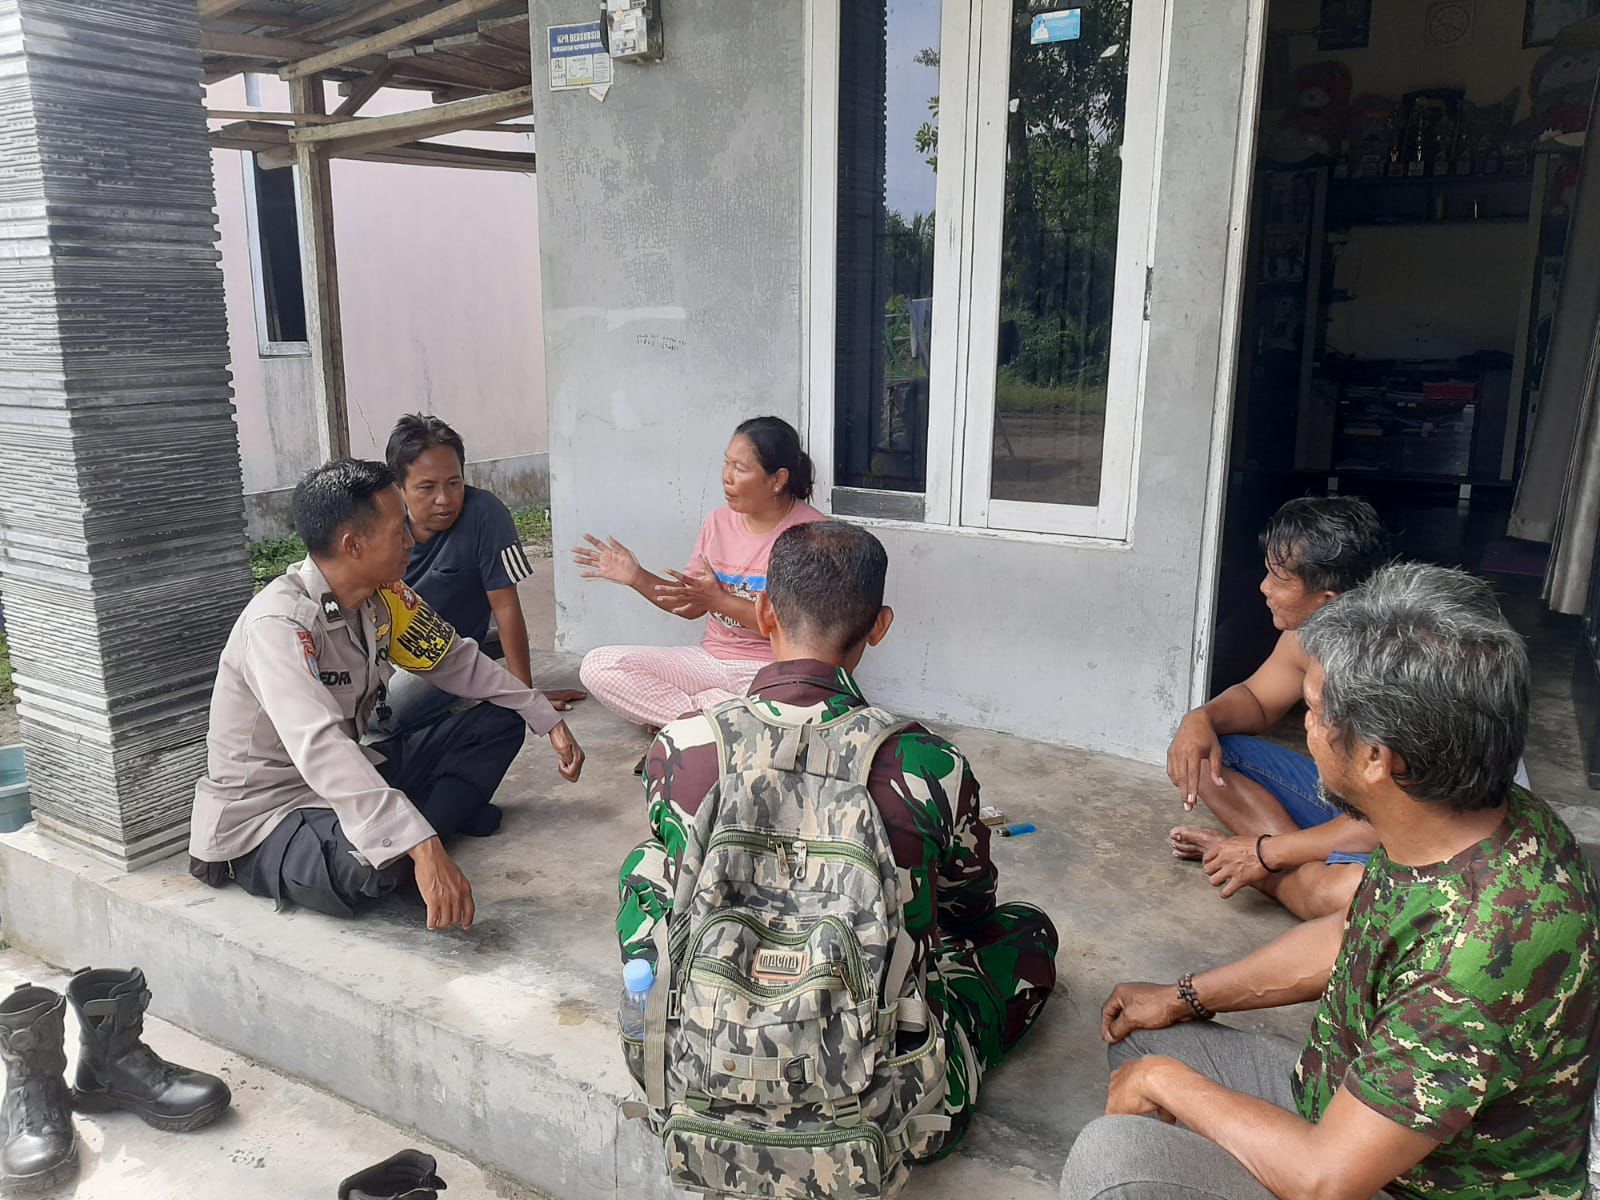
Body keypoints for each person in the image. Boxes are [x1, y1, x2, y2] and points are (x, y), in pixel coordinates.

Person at [1061, 562, 1600, 1200]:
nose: (1306, 729)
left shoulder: (1484, 948)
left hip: (1404, 1182)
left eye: (1315, 711)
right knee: (1144, 1033)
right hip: (1350, 1103)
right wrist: (1182, 996)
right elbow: (1352, 938)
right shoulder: (1467, 813)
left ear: (1377, 756)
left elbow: (1327, 1178)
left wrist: (1165, 1083)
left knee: (1112, 1161)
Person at [616, 520, 1059, 1153]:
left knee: (649, 863)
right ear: (880, 626)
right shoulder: (927, 763)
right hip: (886, 1113)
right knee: (1027, 931)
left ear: (764, 610)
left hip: (703, 1079)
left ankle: (668, 1036)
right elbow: (969, 908)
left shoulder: (683, 747)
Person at [188, 459, 585, 930]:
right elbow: (320, 746)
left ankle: (420, 835)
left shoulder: (383, 596)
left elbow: (454, 657)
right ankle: (423, 838)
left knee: (499, 718)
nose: (411, 539)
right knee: (372, 862)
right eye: (399, 530)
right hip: (269, 814)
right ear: (353, 545)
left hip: (349, 778)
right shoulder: (280, 625)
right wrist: (418, 844)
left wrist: (543, 715)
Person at [1166, 496, 1389, 919]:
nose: (1263, 587)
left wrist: (1264, 853)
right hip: (1350, 806)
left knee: (1349, 896)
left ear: (1328, 599)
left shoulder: (1387, 669)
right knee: (1204, 754)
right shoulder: (1309, 633)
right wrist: (1198, 719)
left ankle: (1271, 871)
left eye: (1279, 577)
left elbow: (1394, 821)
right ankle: (1294, 870)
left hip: (1395, 824)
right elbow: (1255, 699)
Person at [572, 416, 826, 740]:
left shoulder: (813, 534)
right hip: (709, 662)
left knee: (798, 712)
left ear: (778, 480)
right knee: (598, 665)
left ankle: (698, 720)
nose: (727, 477)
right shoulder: (718, 522)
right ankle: (713, 717)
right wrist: (636, 576)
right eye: (726, 463)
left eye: (741, 468)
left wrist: (719, 600)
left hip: (771, 671)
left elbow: (801, 628)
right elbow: (692, 606)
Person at [373, 413, 584, 737]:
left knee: (389, 718)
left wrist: (525, 699)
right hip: (380, 656)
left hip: (444, 657)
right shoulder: (377, 526)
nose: (444, 499)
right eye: (426, 487)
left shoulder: (484, 514)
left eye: (454, 483)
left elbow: (506, 607)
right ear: (399, 488)